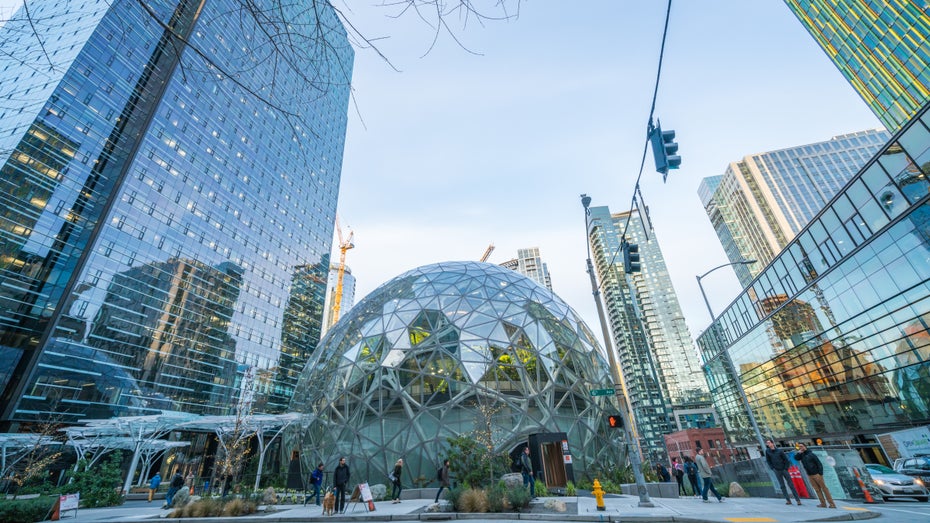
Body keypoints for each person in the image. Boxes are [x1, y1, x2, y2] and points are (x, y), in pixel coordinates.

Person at [796, 443, 835, 508]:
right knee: (817, 489)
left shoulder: (811, 454)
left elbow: (819, 464)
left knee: (824, 489)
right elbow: (796, 458)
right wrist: (799, 452)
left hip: (817, 474)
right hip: (810, 475)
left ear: (805, 447)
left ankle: (832, 504)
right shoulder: (801, 455)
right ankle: (823, 503)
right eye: (799, 447)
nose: (800, 448)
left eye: (801, 446)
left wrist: (820, 474)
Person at [765, 439, 801, 506]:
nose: (768, 444)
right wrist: (773, 468)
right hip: (777, 470)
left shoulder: (779, 451)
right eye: (767, 443)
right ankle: (788, 500)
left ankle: (798, 500)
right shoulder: (767, 451)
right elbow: (768, 461)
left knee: (791, 484)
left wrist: (785, 468)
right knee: (782, 486)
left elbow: (786, 460)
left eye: (769, 443)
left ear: (772, 443)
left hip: (784, 469)